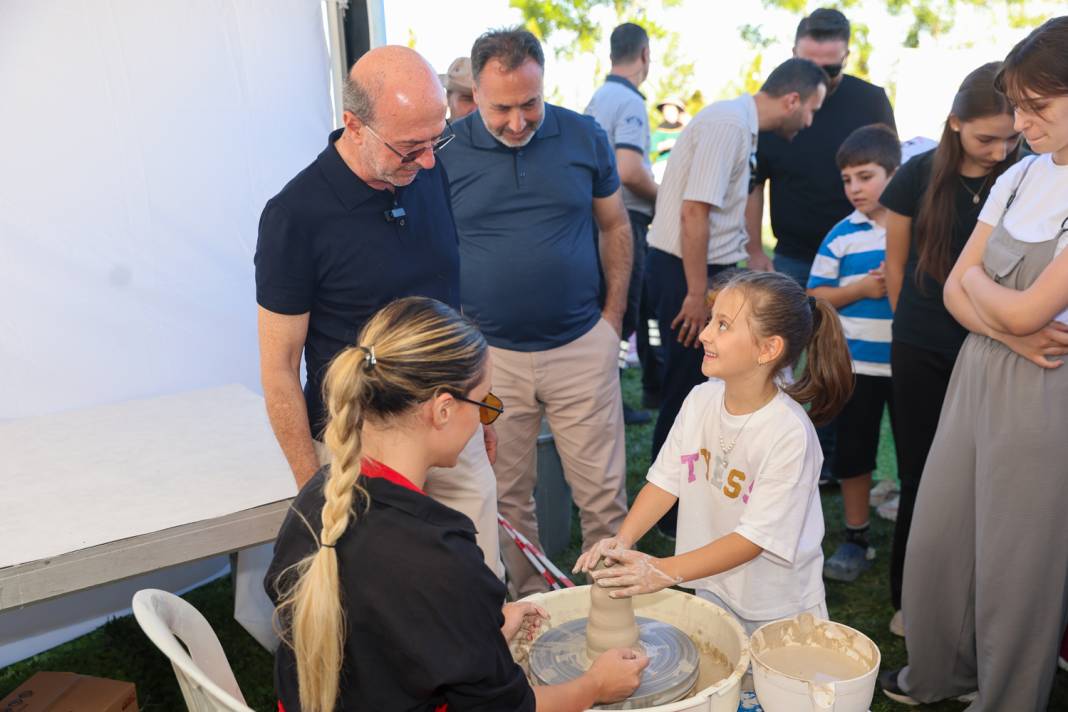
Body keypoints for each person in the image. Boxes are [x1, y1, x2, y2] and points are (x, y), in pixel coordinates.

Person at [266, 297, 648, 712]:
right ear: (443, 410)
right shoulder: (441, 555)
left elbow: (388, 647)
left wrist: (482, 630)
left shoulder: (315, 502)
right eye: (485, 404)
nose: (487, 419)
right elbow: (509, 709)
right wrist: (596, 684)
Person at [255, 46, 502, 577]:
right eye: (411, 147)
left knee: (478, 573)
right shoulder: (294, 217)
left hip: (451, 415)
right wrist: (312, 488)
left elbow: (446, 309)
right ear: (354, 125)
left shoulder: (425, 170)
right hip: (362, 445)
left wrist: (482, 404)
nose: (431, 161)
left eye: (438, 139)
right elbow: (278, 369)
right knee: (390, 596)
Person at [879, 18, 1068, 709]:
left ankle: (1008, 696)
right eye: (1015, 106)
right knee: (940, 535)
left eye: (1037, 108)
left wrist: (999, 313)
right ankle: (941, 674)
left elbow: (982, 294)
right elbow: (955, 287)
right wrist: (1010, 325)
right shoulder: (1022, 173)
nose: (1020, 123)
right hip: (984, 367)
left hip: (1046, 391)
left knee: (1019, 564)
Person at [439, 28, 633, 597]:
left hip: (580, 346)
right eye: (502, 108)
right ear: (474, 93)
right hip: (490, 359)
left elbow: (615, 225)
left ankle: (613, 606)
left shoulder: (584, 135)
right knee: (504, 495)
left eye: (531, 103)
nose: (519, 121)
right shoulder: (444, 152)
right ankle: (533, 609)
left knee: (603, 493)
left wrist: (613, 320)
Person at [574, 271, 852, 635]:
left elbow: (753, 540)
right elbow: (665, 483)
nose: (704, 333)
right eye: (711, 320)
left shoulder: (788, 433)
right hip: (710, 582)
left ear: (768, 349)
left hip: (777, 605)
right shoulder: (700, 401)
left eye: (722, 325)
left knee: (771, 690)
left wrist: (662, 569)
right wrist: (623, 539)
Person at [645, 58, 829, 536]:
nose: (810, 123)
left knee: (703, 385)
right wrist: (695, 293)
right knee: (689, 388)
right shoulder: (728, 123)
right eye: (811, 110)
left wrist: (748, 254)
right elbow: (693, 213)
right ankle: (671, 513)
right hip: (691, 270)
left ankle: (706, 490)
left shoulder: (742, 127)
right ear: (793, 99)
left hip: (708, 270)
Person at [878, 61, 1023, 635]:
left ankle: (974, 601)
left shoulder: (1026, 173)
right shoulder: (917, 174)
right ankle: (910, 599)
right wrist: (906, 326)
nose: (1000, 150)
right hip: (920, 345)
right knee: (921, 476)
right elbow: (895, 263)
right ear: (954, 124)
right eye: (987, 137)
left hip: (993, 346)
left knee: (985, 480)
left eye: (1011, 137)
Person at [747, 8, 896, 485]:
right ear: (794, 54)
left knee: (842, 359)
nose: (822, 78)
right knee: (780, 357)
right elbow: (755, 183)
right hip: (792, 252)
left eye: (831, 68)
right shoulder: (776, 103)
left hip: (863, 249)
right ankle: (780, 457)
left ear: (847, 56)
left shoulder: (870, 100)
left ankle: (834, 462)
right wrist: (755, 249)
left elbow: (893, 169)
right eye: (811, 65)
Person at [806, 124, 901, 582]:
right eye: (847, 180)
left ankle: (915, 532)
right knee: (854, 453)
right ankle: (856, 536)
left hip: (907, 365)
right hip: (857, 365)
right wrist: (860, 288)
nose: (855, 189)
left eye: (865, 176)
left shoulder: (917, 227)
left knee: (915, 452)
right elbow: (814, 295)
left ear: (895, 173)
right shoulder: (842, 235)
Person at [585, 22, 660, 426]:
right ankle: (606, 404)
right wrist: (665, 199)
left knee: (606, 307)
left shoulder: (599, 97)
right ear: (644, 54)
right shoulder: (628, 101)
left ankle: (601, 400)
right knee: (621, 310)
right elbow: (629, 170)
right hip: (623, 217)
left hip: (593, 218)